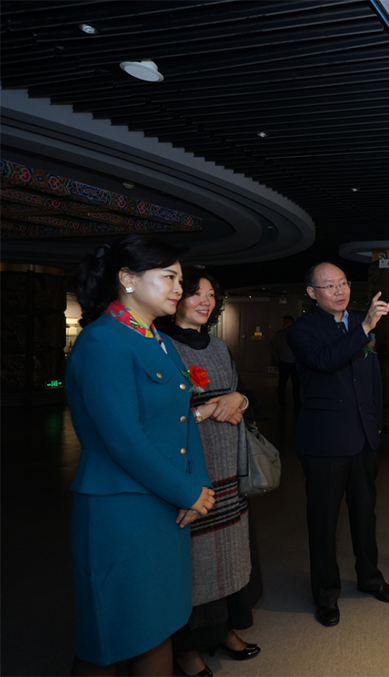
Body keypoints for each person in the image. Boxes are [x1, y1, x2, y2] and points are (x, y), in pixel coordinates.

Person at [65, 236, 215, 677]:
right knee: (112, 635)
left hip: (166, 504)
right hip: (122, 509)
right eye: (169, 277)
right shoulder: (103, 341)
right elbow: (124, 439)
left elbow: (184, 420)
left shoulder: (157, 340)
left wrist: (198, 485)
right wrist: (187, 491)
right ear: (127, 279)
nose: (179, 289)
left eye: (180, 279)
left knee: (158, 622)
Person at [156, 269, 263, 677]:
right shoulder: (162, 345)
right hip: (190, 466)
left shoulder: (219, 346)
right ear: (177, 298)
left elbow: (242, 394)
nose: (205, 301)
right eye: (195, 293)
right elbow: (159, 413)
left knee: (229, 550)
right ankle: (185, 648)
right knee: (195, 558)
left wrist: (240, 399)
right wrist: (208, 409)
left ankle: (223, 630)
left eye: (211, 295)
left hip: (228, 464)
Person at [285, 262, 389, 626]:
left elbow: (372, 377)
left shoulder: (359, 322)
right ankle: (325, 594)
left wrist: (377, 424)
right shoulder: (302, 329)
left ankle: (370, 578)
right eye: (329, 285)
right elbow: (324, 361)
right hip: (325, 441)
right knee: (324, 521)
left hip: (363, 437)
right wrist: (365, 328)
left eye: (344, 283)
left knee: (366, 513)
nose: (339, 291)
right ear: (312, 293)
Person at [268, 315, 301, 409]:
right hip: (283, 362)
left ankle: (296, 401)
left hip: (295, 363)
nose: (284, 324)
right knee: (282, 384)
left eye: (287, 322)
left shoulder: (297, 334)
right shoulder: (280, 334)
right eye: (284, 322)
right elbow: (271, 344)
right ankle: (281, 402)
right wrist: (275, 357)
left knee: (296, 384)